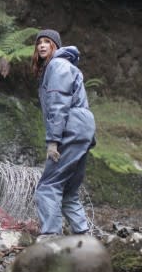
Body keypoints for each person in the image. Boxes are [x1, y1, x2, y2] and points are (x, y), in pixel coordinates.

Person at [31, 29, 96, 237]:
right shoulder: (67, 66)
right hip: (82, 130)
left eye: (47, 42)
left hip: (70, 128)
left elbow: (58, 104)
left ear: (56, 47)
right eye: (39, 42)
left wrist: (53, 141)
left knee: (48, 186)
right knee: (68, 191)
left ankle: (50, 237)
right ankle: (84, 236)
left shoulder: (57, 65)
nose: (42, 45)